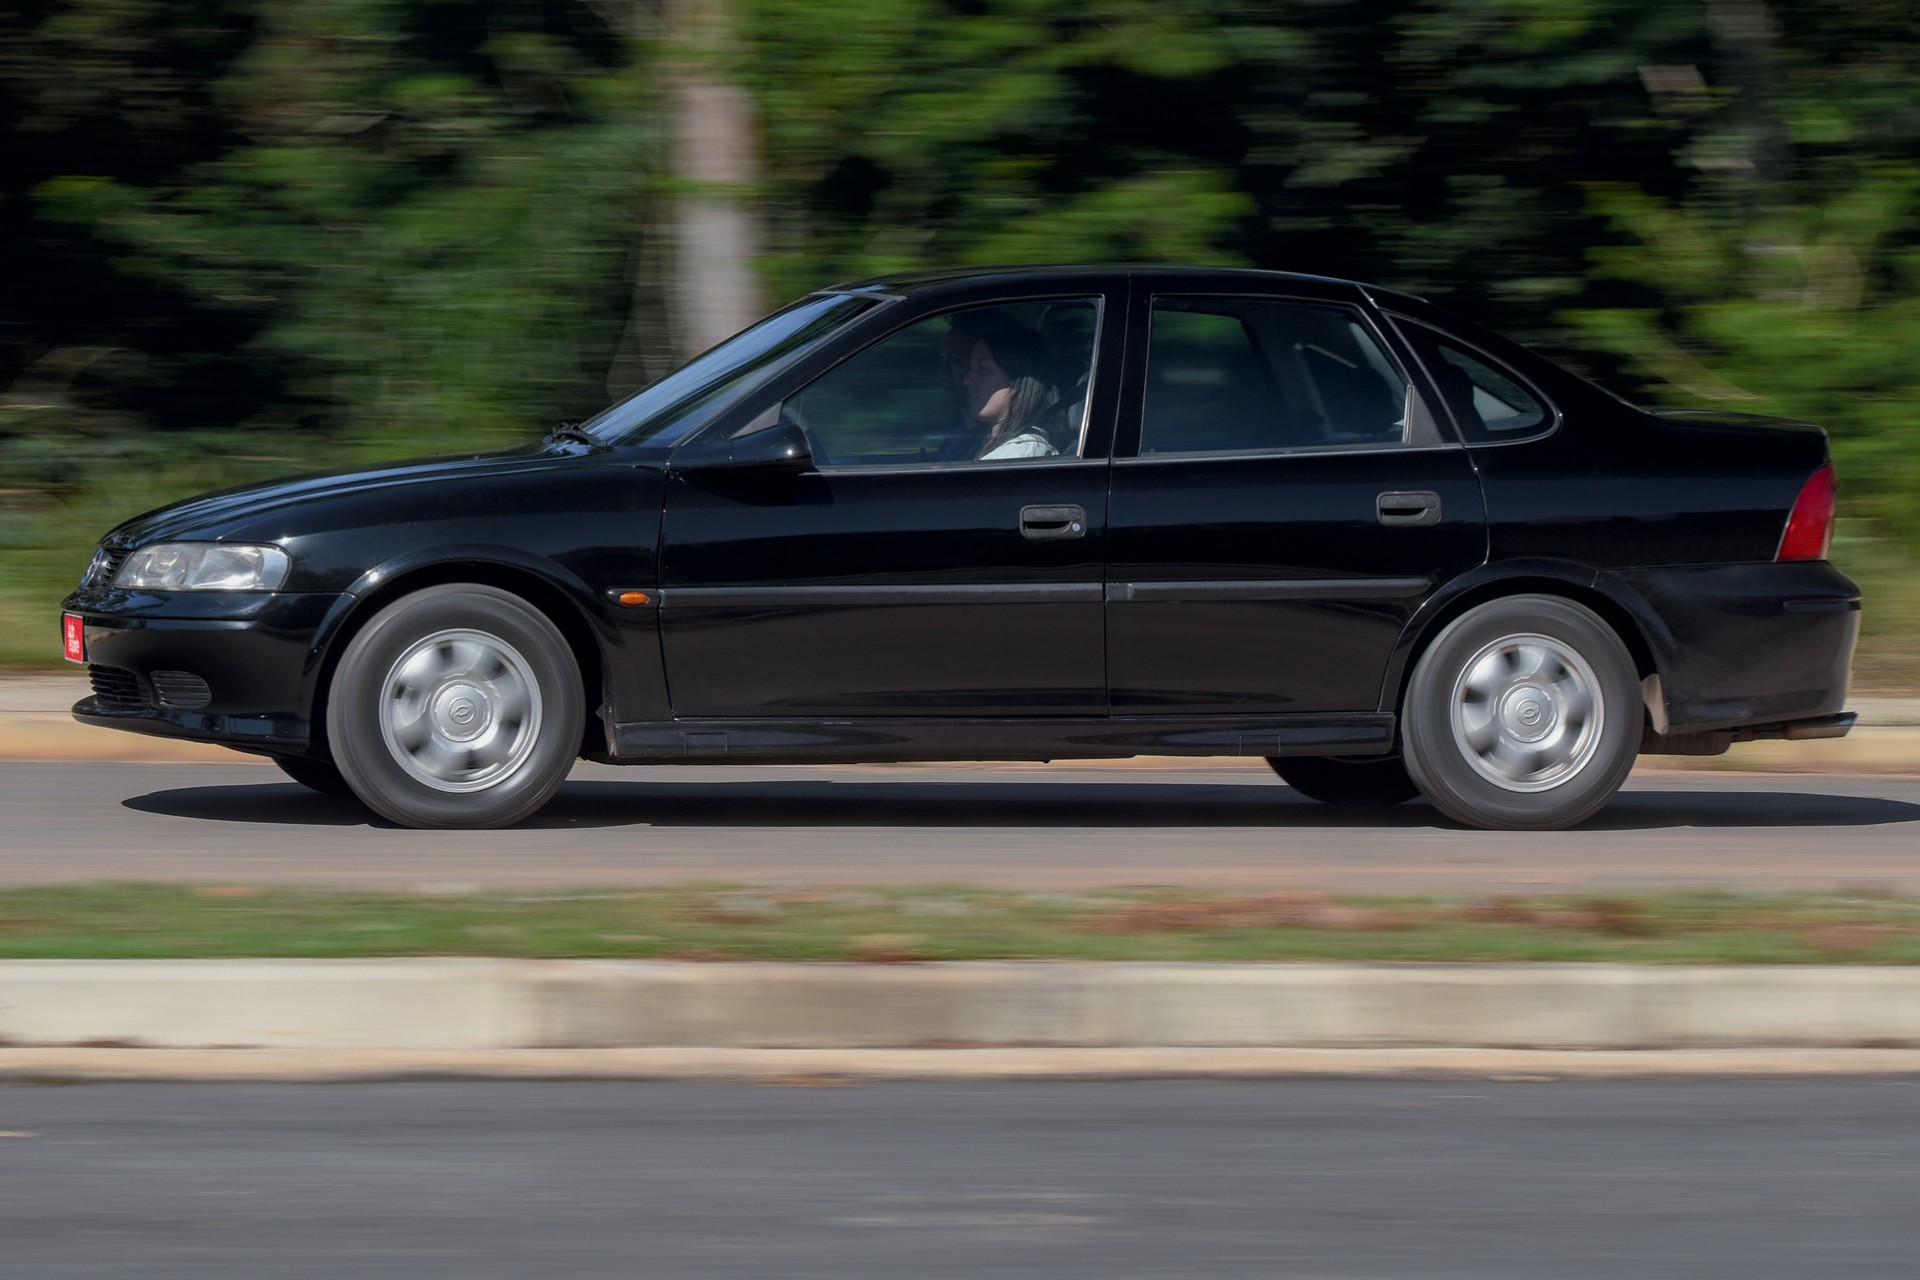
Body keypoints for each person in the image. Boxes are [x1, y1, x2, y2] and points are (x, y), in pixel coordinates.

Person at [963, 325, 1063, 460]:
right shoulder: (992, 445)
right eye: (971, 368)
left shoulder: (1021, 453)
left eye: (982, 368)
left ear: (1017, 380)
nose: (968, 380)